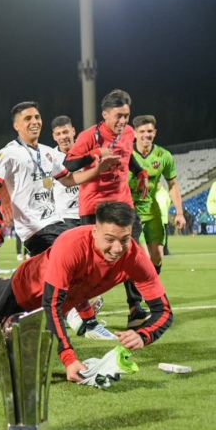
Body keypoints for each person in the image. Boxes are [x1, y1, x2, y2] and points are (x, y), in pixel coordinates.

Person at [0, 201, 173, 381]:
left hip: (53, 304)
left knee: (17, 338)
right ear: (95, 231)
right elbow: (52, 305)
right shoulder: (71, 245)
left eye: (125, 239)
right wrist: (69, 359)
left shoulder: (135, 258)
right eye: (110, 239)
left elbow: (163, 311)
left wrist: (144, 335)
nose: (118, 248)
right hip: (23, 290)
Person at [0, 101, 116, 336]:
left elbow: (70, 179)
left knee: (58, 275)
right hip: (34, 229)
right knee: (74, 266)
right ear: (16, 125)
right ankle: (85, 321)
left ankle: (9, 319)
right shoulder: (8, 153)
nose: (34, 122)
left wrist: (98, 170)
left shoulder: (48, 152)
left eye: (37, 117)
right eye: (28, 118)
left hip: (56, 222)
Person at [62, 89, 151, 329]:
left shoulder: (129, 132)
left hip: (122, 203)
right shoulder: (88, 136)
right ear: (105, 115)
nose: (123, 121)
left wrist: (141, 172)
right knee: (90, 262)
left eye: (126, 115)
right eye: (118, 116)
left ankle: (135, 308)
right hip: (93, 207)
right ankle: (75, 307)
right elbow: (69, 163)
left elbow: (128, 155)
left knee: (131, 253)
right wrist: (95, 153)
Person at [126, 115, 185, 275]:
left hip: (153, 211)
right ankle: (148, 292)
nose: (147, 134)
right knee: (142, 257)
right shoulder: (126, 154)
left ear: (155, 132)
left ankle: (151, 287)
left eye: (150, 131)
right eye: (142, 131)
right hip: (131, 212)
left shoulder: (163, 155)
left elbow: (172, 184)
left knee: (158, 255)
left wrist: (179, 212)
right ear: (135, 134)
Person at [50, 116, 81, 228]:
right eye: (58, 134)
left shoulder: (87, 151)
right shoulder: (50, 158)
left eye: (65, 132)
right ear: (54, 136)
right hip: (65, 216)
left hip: (88, 212)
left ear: (73, 131)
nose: (63, 137)